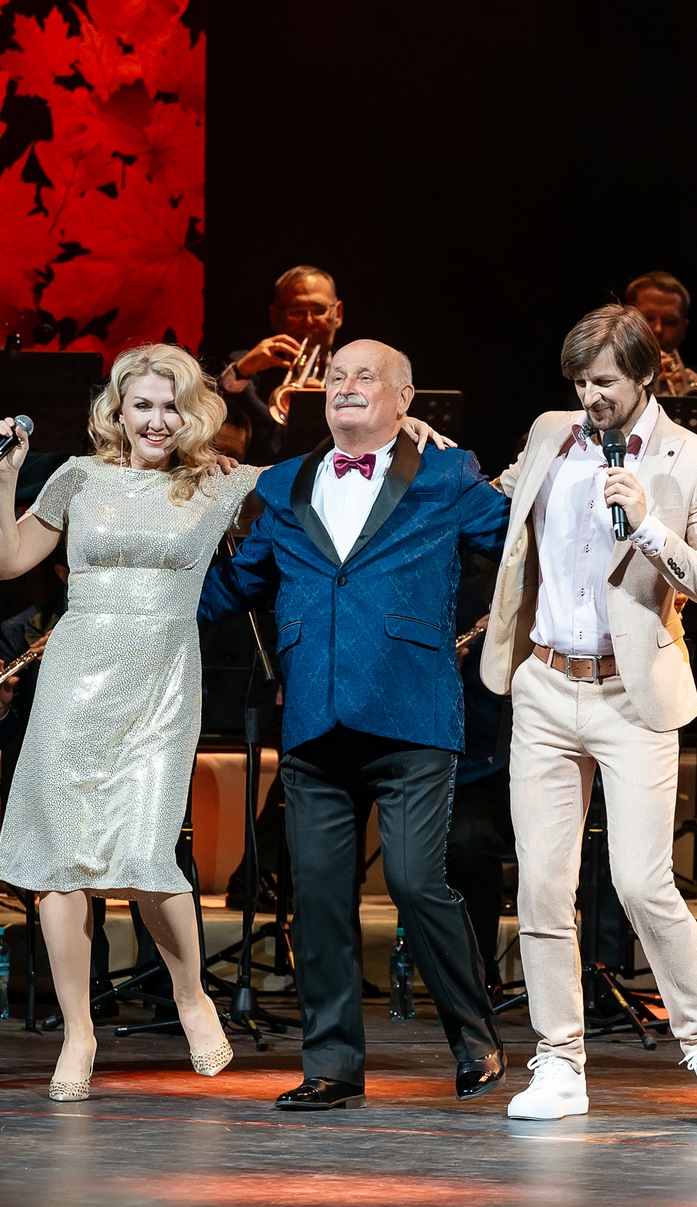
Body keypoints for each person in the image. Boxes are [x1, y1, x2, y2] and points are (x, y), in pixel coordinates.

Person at [199, 339, 510, 1111]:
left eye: (363, 376)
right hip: (314, 716)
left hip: (411, 715)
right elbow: (236, 586)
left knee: (414, 881)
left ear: (403, 399)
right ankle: (332, 1065)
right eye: (335, 376)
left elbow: (520, 545)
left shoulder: (445, 476)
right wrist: (148, 573)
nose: (344, 385)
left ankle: (475, 1036)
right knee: (318, 899)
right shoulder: (283, 483)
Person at [481, 304, 697, 1124]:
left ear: (646, 375)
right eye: (578, 382)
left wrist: (649, 528)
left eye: (603, 381)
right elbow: (493, 502)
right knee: (541, 885)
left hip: (630, 693)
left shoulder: (695, 458)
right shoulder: (549, 434)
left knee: (640, 881)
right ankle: (558, 1062)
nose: (588, 397)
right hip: (543, 683)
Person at [0, 343, 262, 1101]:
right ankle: (78, 1032)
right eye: (143, 405)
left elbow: (326, 486)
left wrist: (406, 442)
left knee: (144, 852)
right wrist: (6, 475)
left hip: (161, 682)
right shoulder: (78, 476)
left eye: (172, 406)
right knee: (60, 862)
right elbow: (6, 562)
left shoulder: (220, 482)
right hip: (74, 682)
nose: (157, 420)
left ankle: (190, 996)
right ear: (118, 410)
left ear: (194, 414)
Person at [215, 265, 345, 463]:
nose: (309, 322)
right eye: (296, 311)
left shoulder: (353, 373)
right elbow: (204, 413)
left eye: (319, 310)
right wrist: (241, 370)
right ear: (275, 316)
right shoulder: (245, 367)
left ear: (338, 314)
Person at [624, 271, 697, 397]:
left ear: (684, 329)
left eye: (670, 321)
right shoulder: (602, 374)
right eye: (648, 319)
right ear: (625, 321)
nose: (658, 329)